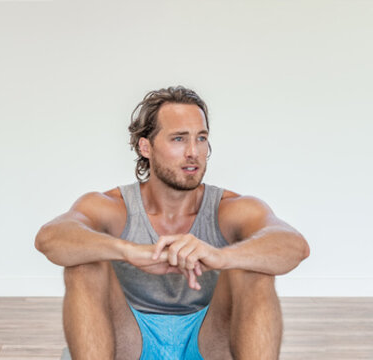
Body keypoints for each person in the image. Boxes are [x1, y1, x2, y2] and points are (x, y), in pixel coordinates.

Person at [34, 86, 310, 360]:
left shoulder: (231, 208)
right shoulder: (112, 206)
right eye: (179, 139)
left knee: (252, 268)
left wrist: (220, 256)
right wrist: (130, 251)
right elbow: (50, 238)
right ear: (146, 146)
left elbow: (294, 246)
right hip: (130, 342)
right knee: (84, 264)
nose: (194, 152)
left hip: (209, 341)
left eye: (201, 138)